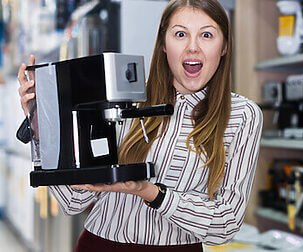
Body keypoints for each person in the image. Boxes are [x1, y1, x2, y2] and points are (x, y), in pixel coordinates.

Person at [17, 0, 263, 251]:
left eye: (207, 35)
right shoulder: (124, 100)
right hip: (98, 244)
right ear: (164, 45)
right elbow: (73, 201)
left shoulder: (242, 115)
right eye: (180, 34)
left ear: (224, 46)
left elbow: (226, 225)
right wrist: (41, 120)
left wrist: (153, 193)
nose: (193, 48)